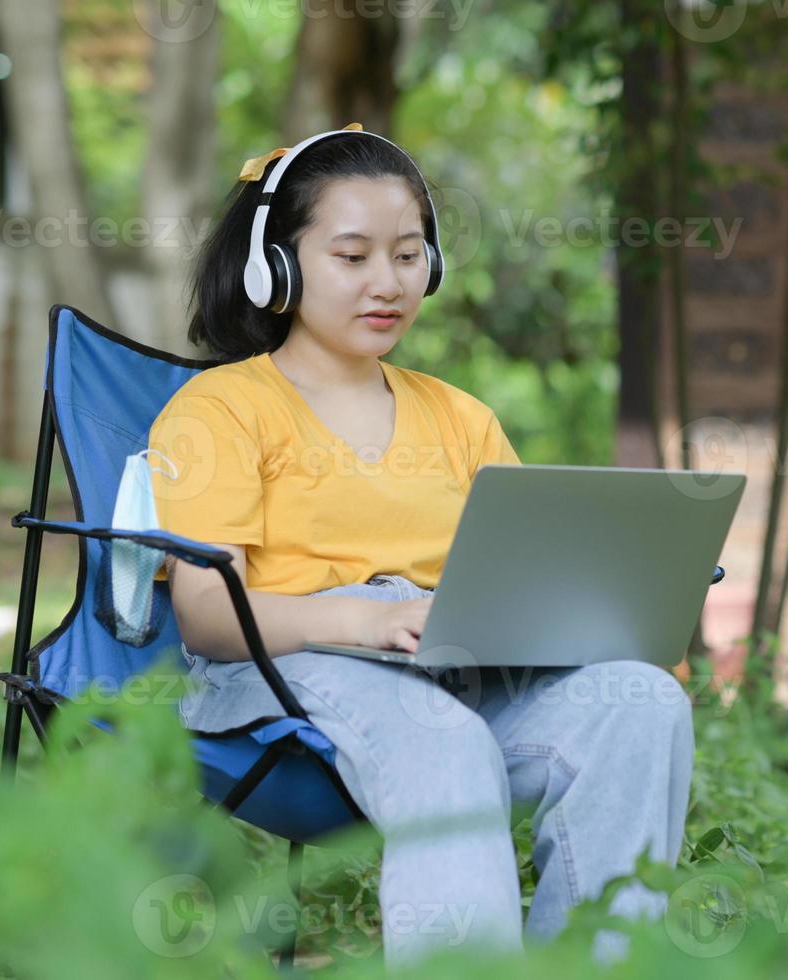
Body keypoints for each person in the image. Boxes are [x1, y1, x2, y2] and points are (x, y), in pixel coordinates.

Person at [145, 125, 694, 971]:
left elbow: (528, 577)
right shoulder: (221, 409)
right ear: (278, 268)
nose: (388, 283)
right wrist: (368, 619)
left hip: (456, 666)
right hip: (287, 667)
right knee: (437, 733)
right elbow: (209, 615)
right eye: (353, 256)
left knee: (640, 702)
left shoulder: (460, 417)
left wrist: (617, 624)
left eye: (408, 255)